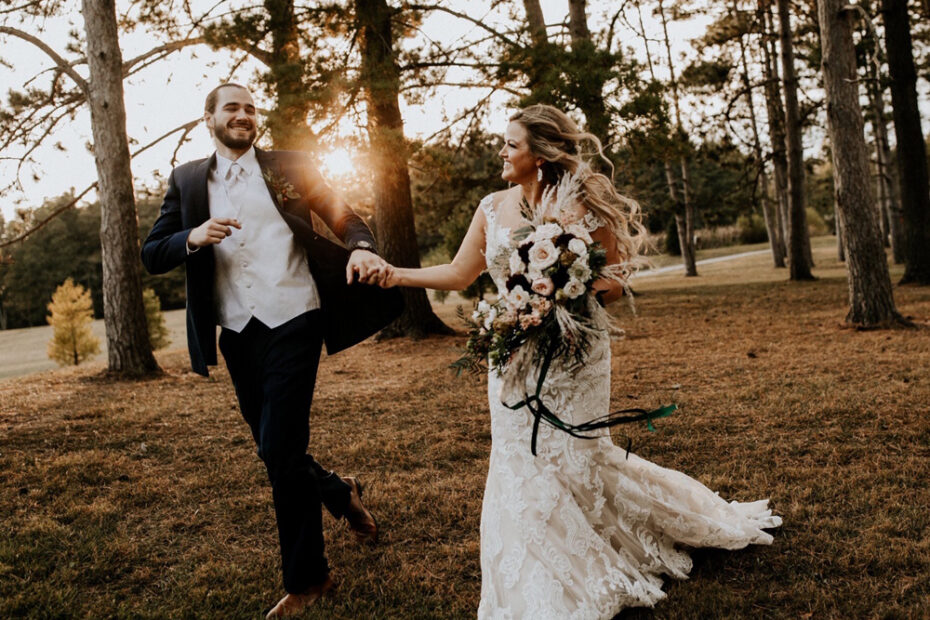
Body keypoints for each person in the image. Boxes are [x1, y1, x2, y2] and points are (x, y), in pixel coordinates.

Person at [378, 104, 782, 618]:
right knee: (518, 459)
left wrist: (562, 296)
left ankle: (616, 544)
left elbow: (614, 280)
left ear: (541, 155)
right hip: (513, 353)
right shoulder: (490, 207)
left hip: (576, 352)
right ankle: (540, 569)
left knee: (579, 456)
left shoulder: (583, 204)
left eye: (511, 144)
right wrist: (395, 273)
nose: (501, 152)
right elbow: (460, 274)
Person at [141, 83, 403, 618]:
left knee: (280, 448)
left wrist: (361, 247)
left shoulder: (291, 164)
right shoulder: (188, 179)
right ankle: (337, 489)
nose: (243, 114)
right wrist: (192, 236)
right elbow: (151, 253)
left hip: (295, 316)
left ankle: (309, 578)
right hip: (238, 331)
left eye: (250, 107)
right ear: (208, 117)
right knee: (275, 449)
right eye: (231, 107)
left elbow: (345, 215)